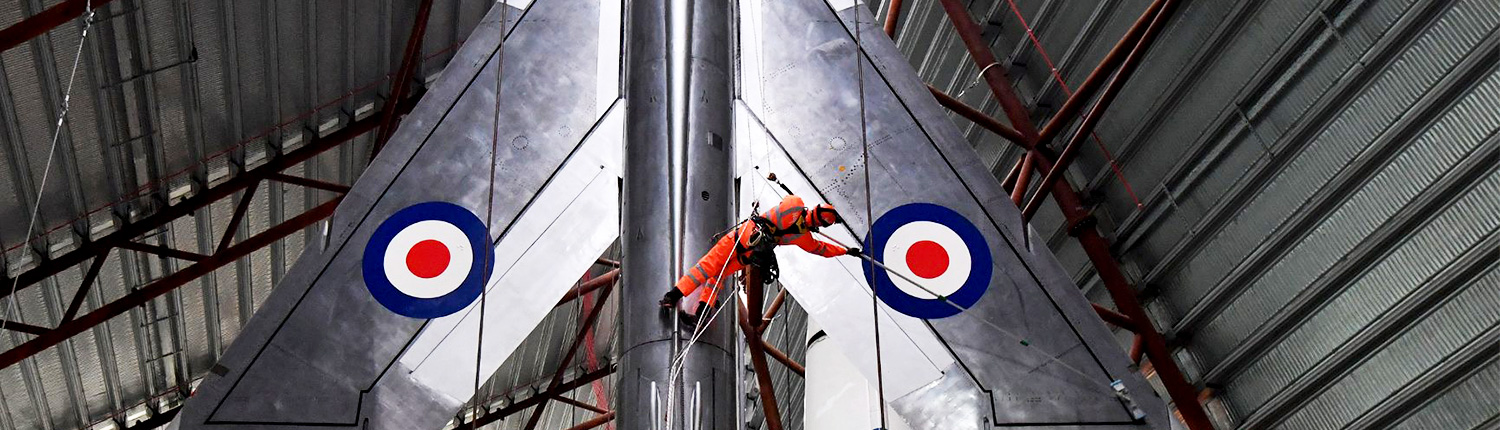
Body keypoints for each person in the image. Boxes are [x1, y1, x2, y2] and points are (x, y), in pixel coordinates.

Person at [660, 195, 861, 323]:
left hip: (742, 238)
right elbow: (821, 249)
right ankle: (702, 315)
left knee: (706, 268)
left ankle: (673, 296)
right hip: (749, 256)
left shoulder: (795, 204)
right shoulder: (803, 237)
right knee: (717, 277)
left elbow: (786, 204)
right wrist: (845, 251)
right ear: (820, 225)